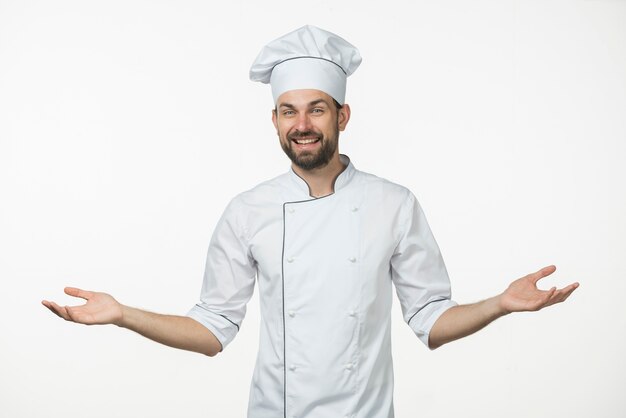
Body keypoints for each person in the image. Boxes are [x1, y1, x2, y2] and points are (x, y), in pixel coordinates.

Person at [42, 25, 579, 418]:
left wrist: (500, 305)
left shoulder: (394, 203)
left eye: (316, 109)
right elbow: (212, 330)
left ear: (342, 115)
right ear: (274, 119)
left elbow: (431, 321)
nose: (302, 125)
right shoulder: (247, 210)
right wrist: (121, 314)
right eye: (288, 111)